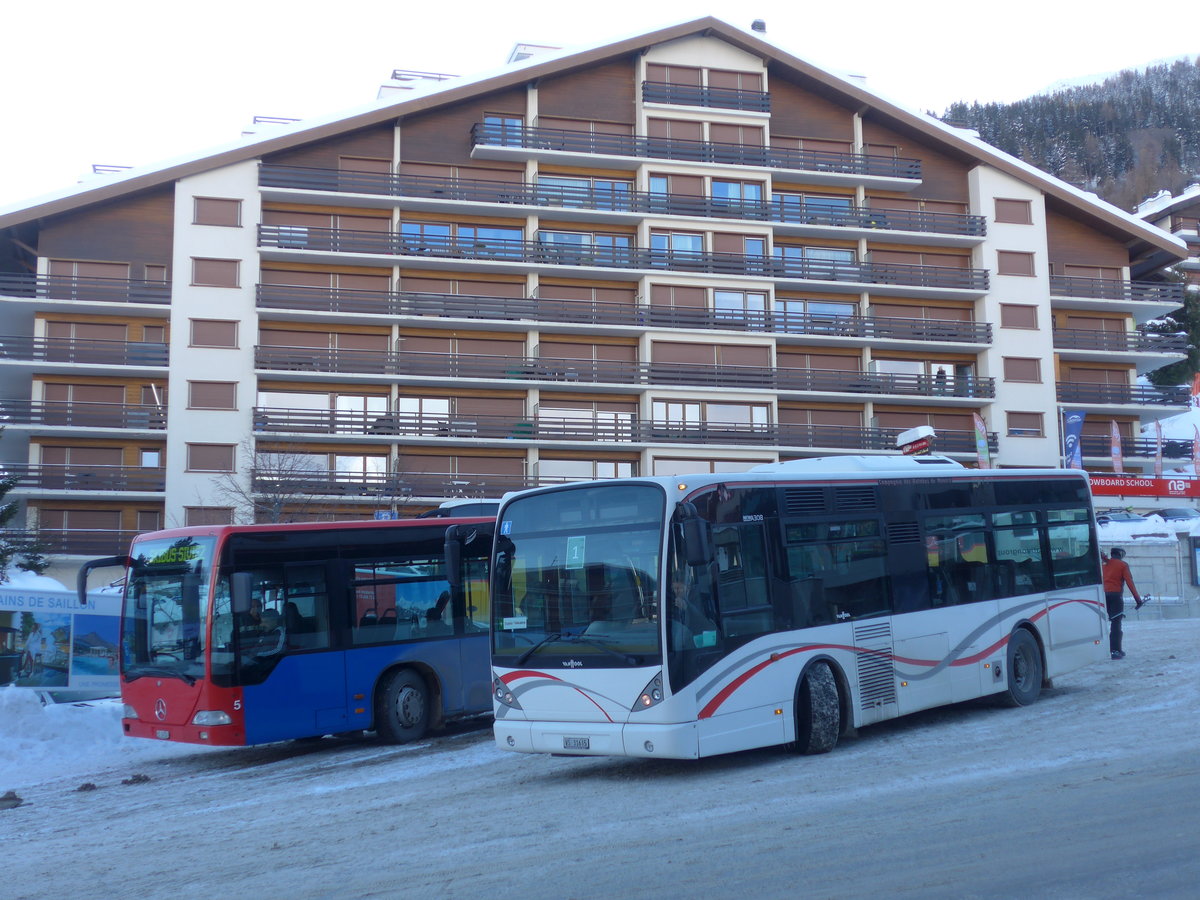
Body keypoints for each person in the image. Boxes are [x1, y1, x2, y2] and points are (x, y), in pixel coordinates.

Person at [1102, 547, 1143, 660]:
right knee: (1116, 623)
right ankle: (1115, 651)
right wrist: (1138, 600)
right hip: (1115, 596)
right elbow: (1130, 583)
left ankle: (1109, 649)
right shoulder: (1123, 565)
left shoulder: (1103, 565)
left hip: (1102, 596)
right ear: (1120, 555)